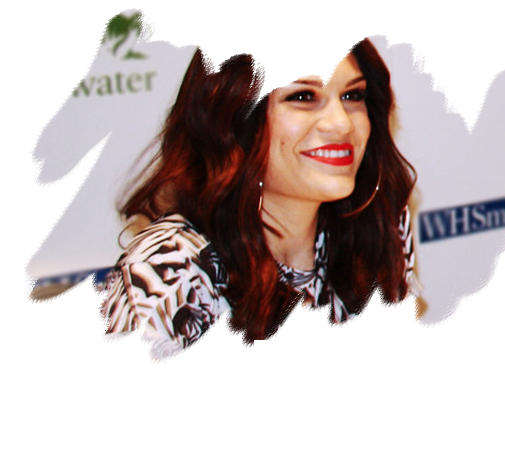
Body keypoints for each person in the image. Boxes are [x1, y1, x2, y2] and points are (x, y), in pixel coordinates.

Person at [86, 8, 421, 360]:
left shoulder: (376, 222)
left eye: (352, 96)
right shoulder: (168, 275)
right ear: (233, 118)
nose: (341, 124)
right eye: (303, 97)